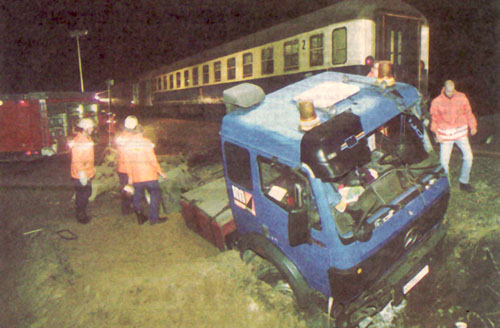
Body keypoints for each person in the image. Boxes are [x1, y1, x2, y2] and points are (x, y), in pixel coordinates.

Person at [430, 80, 477, 192]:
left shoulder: (462, 97)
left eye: (453, 91)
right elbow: (434, 119)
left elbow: (468, 112)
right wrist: (436, 134)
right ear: (444, 88)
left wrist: (473, 126)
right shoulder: (437, 101)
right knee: (444, 162)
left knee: (469, 157)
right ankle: (446, 185)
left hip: (460, 133)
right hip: (446, 135)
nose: (451, 94)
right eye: (448, 91)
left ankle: (464, 182)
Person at [121, 116, 167, 225]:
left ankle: (140, 217)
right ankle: (154, 219)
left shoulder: (127, 145)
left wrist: (130, 177)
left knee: (137, 195)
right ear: (142, 132)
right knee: (154, 195)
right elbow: (152, 160)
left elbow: (127, 163)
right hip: (149, 175)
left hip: (136, 176)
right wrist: (160, 172)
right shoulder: (146, 142)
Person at [69, 118, 95, 224]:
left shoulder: (86, 139)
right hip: (81, 174)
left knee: (85, 193)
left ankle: (80, 210)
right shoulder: (80, 141)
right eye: (91, 127)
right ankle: (81, 215)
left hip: (85, 172)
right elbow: (76, 159)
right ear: (85, 129)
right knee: (83, 195)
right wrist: (82, 174)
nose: (93, 129)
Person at [114, 118, 135, 215]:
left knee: (125, 189)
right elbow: (130, 157)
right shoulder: (131, 138)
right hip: (128, 169)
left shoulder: (120, 136)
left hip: (121, 168)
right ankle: (129, 208)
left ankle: (126, 208)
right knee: (129, 189)